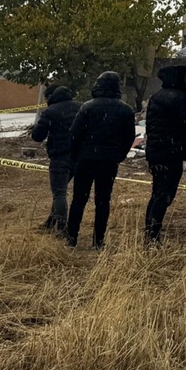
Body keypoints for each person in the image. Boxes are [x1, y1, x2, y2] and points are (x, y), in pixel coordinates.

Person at [66, 72, 136, 249]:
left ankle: (71, 238)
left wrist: (76, 156)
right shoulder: (126, 110)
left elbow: (74, 134)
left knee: (78, 200)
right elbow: (129, 138)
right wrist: (119, 155)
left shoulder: (87, 107)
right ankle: (98, 241)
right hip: (109, 161)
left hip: (86, 159)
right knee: (103, 201)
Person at [144, 65, 186, 244]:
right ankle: (152, 237)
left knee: (157, 193)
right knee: (164, 195)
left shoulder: (157, 97)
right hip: (171, 154)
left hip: (156, 153)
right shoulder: (179, 98)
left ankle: (150, 232)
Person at [30, 84, 81, 234]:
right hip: (78, 156)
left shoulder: (51, 111)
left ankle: (61, 227)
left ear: (51, 97)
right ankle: (51, 222)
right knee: (62, 191)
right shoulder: (81, 107)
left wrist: (37, 127)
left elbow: (37, 136)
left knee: (59, 193)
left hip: (60, 156)